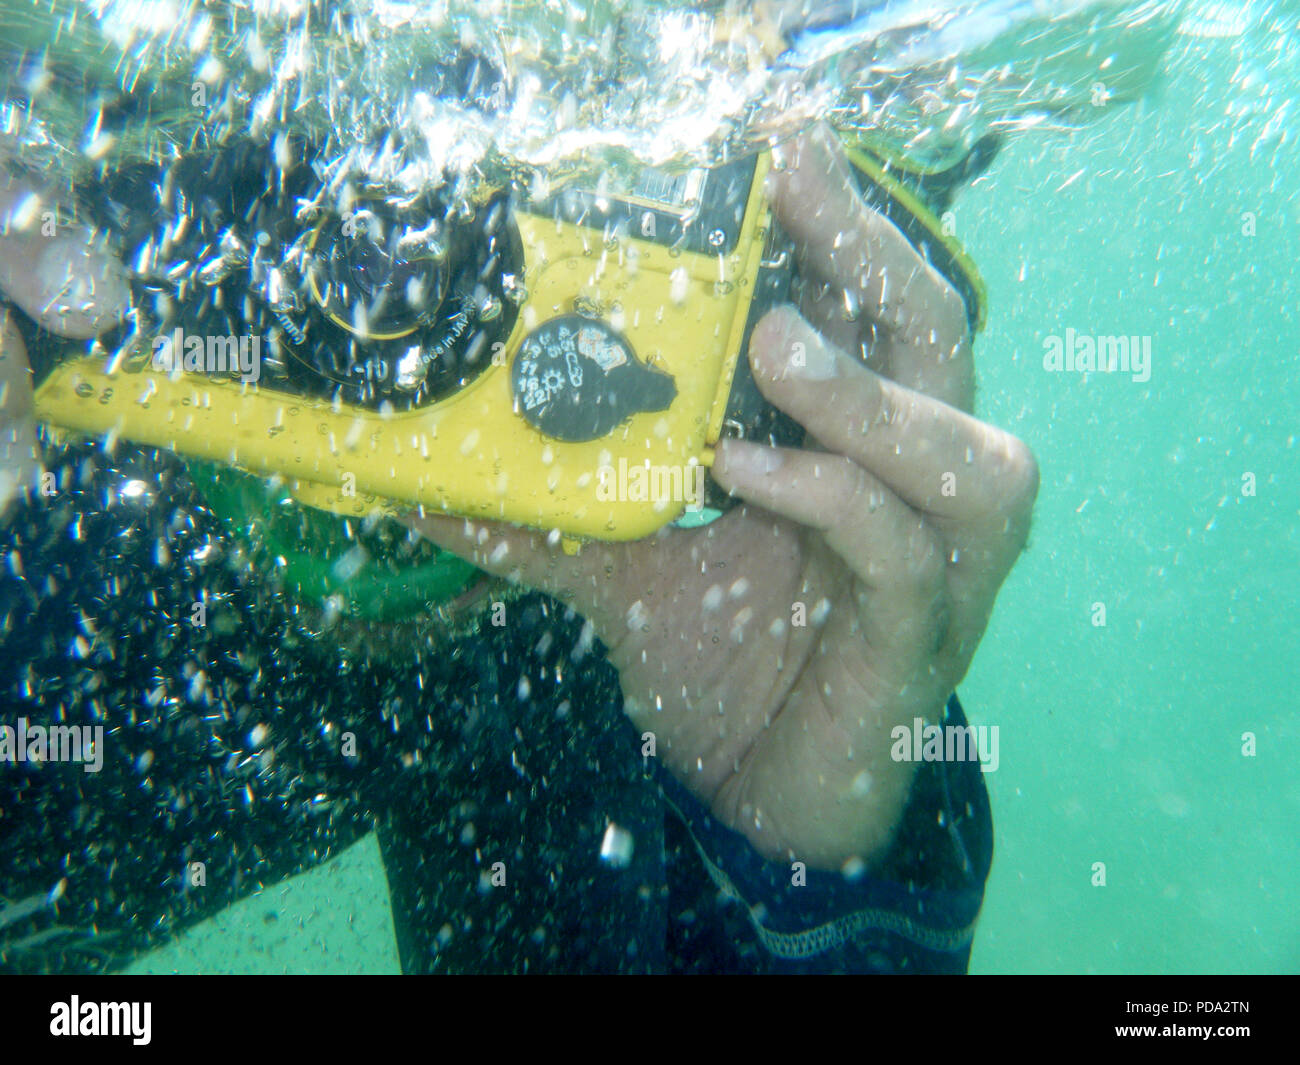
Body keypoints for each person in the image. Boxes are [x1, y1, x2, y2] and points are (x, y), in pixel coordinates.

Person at [0, 124, 1037, 974]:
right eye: (337, 238)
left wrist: (787, 875)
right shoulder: (51, 482)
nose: (393, 340)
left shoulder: (628, 650)